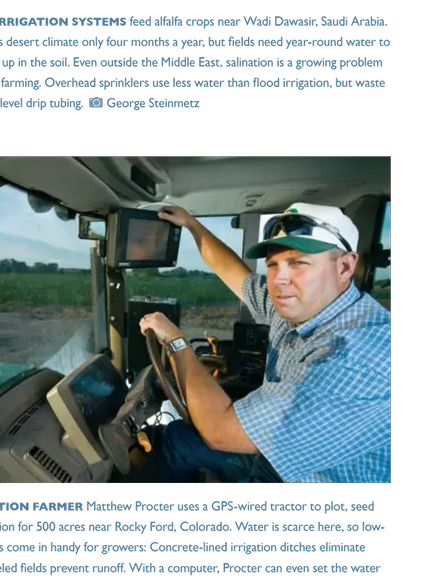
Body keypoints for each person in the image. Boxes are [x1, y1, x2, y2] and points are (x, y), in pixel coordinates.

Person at [141, 203, 389, 484]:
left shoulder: (355, 359)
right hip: (278, 459)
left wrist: (175, 342)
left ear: (345, 266)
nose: (279, 279)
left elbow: (219, 432)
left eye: (298, 263)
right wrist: (192, 225)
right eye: (272, 264)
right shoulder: (303, 305)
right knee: (176, 439)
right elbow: (235, 274)